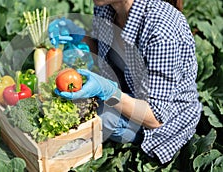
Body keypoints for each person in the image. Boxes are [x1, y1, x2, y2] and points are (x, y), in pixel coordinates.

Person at [48, 0, 202, 164]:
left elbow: (155, 118)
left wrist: (107, 92)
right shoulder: (107, 8)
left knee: (101, 115)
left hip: (164, 120)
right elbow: (102, 51)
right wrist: (79, 36)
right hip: (128, 90)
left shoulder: (162, 29)